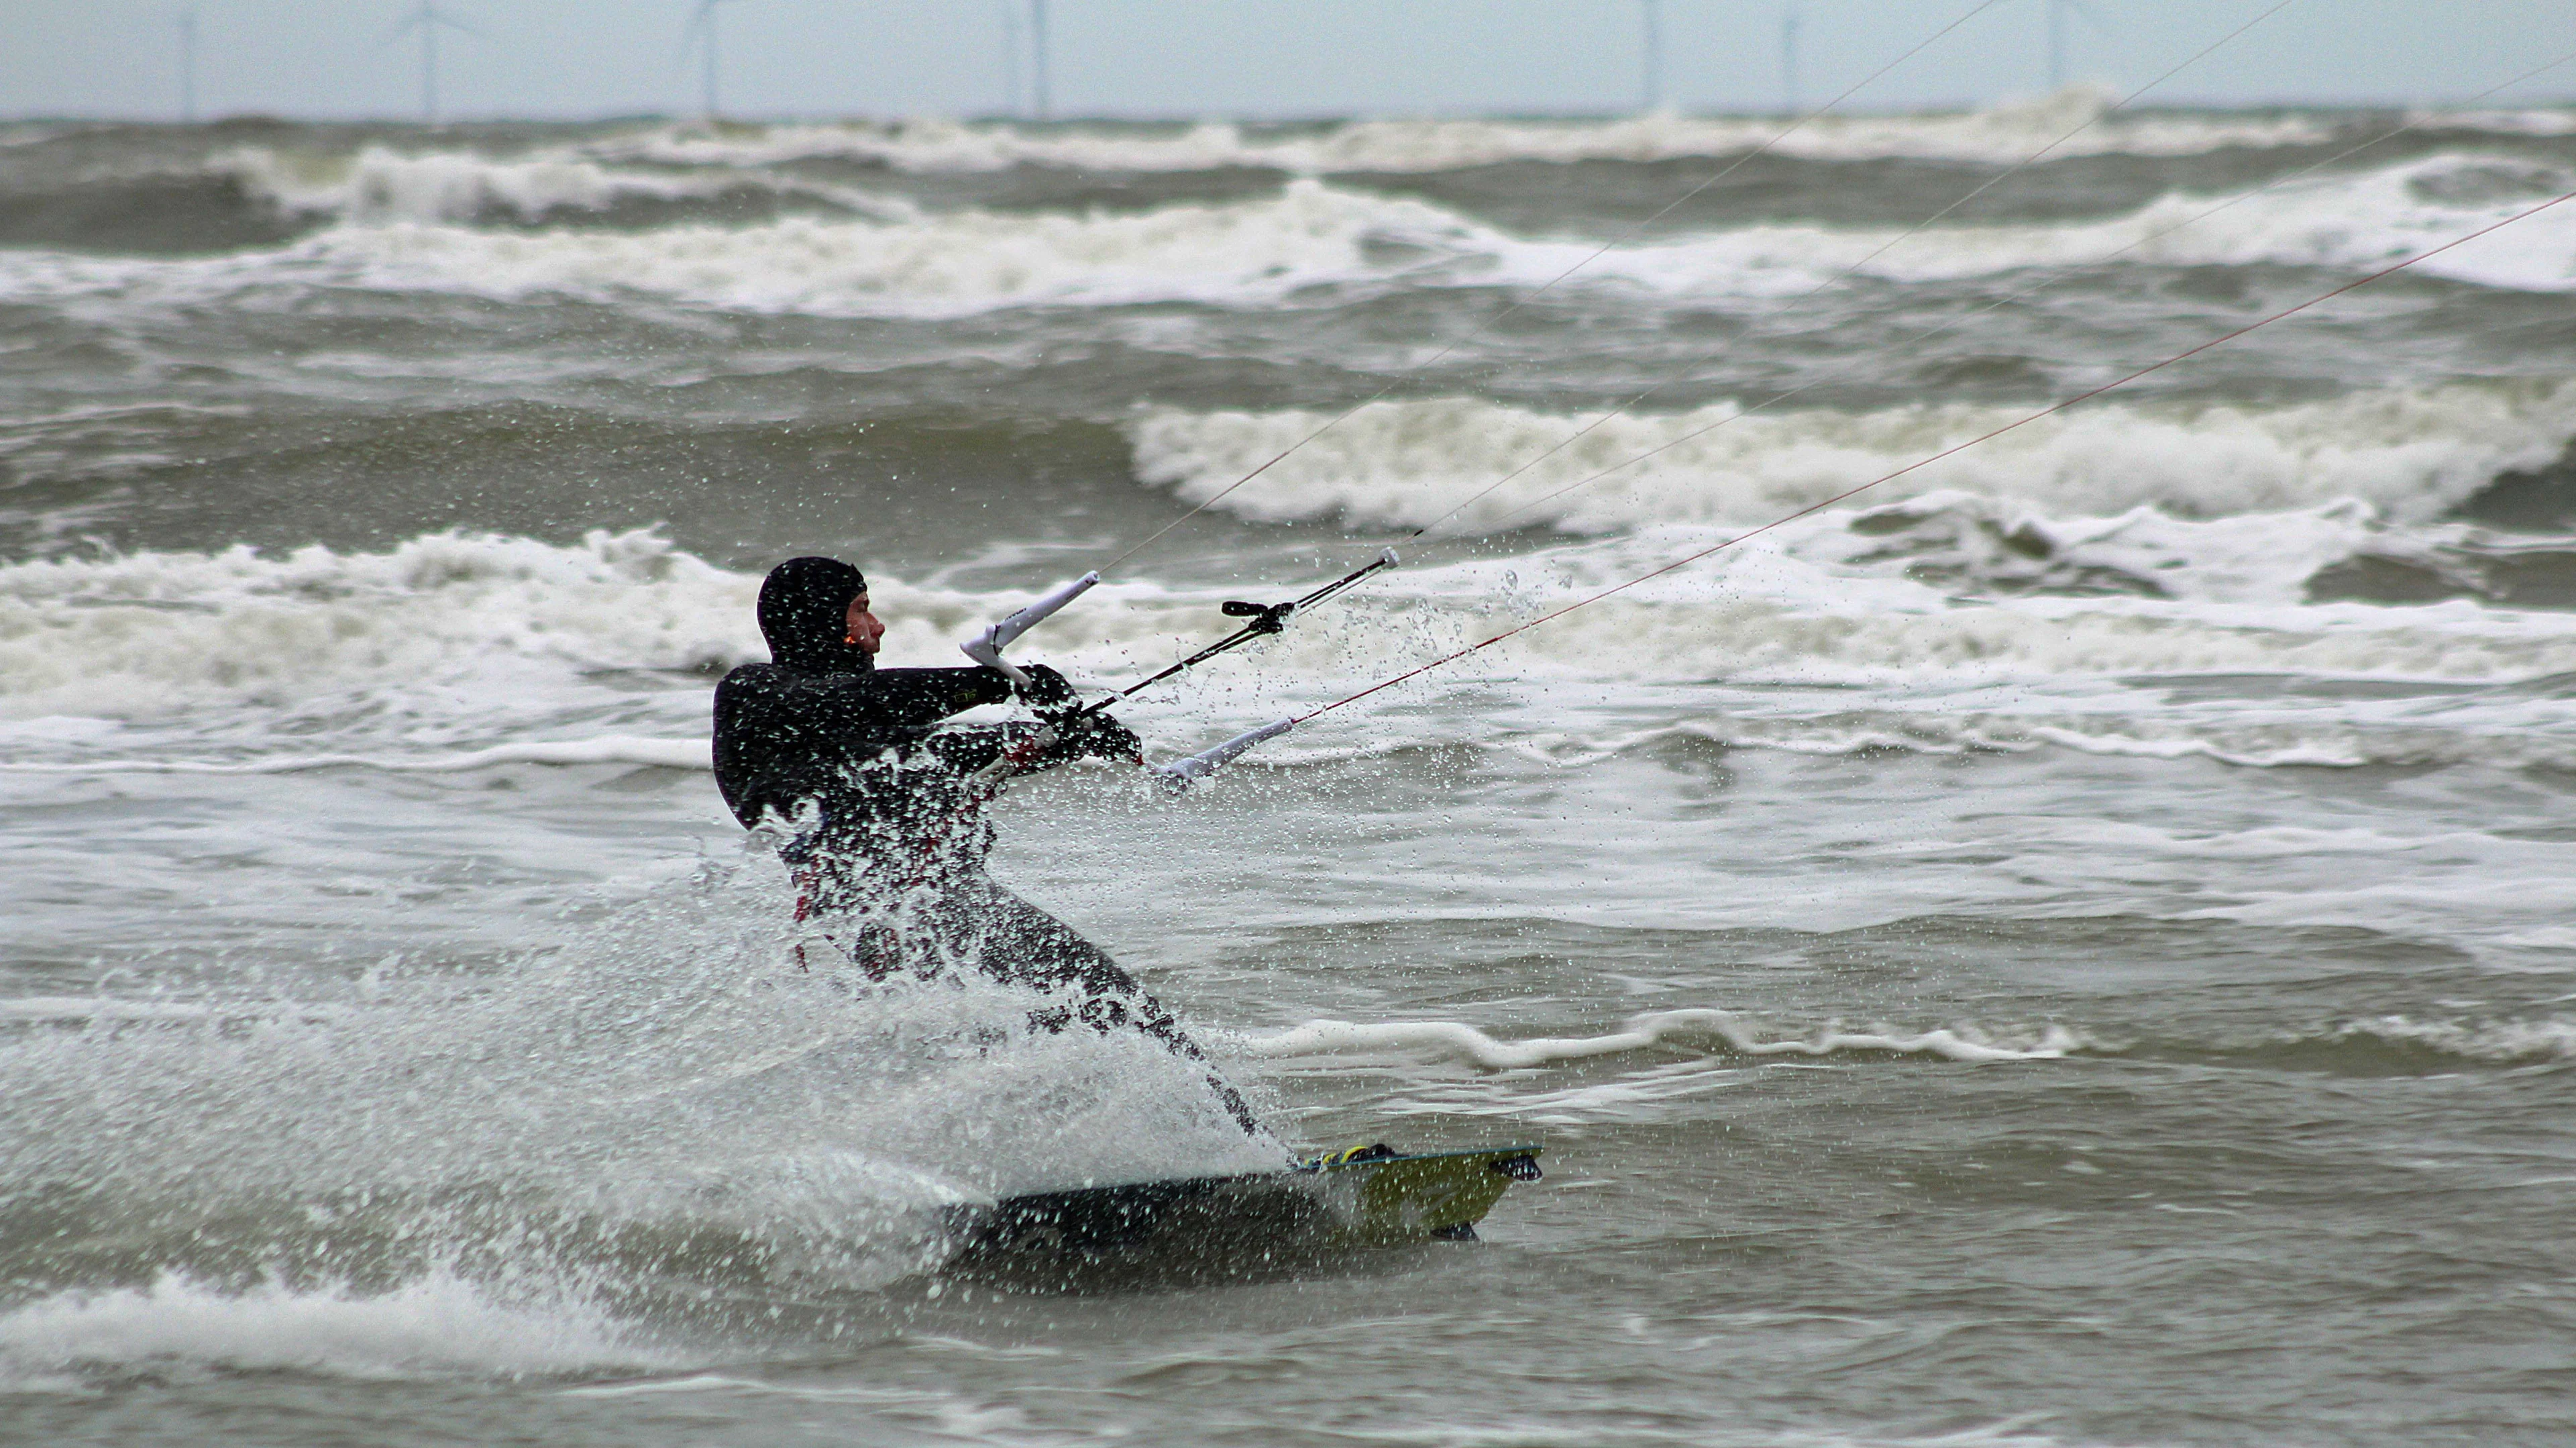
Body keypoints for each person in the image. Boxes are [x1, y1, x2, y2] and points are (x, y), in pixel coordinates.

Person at [712, 556, 1260, 1135]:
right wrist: (995, 682)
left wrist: (1068, 736)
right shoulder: (757, 698)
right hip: (907, 918)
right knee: (1107, 1012)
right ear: (824, 622)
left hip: (945, 912)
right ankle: (1242, 1156)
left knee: (1088, 1033)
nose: (877, 630)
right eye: (863, 611)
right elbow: (847, 707)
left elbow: (942, 751)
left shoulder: (867, 728)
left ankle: (1222, 1153)